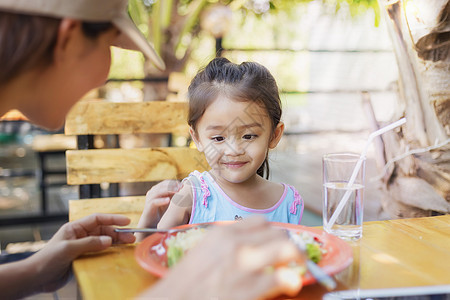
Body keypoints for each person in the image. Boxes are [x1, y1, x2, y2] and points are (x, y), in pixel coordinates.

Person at [0, 1, 304, 299]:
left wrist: (38, 269)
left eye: (248, 135)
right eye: (109, 45)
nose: (106, 74)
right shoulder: (197, 191)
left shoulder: (287, 198)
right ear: (67, 41)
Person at [138, 58, 304, 231]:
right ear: (197, 139)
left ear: (274, 135)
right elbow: (156, 250)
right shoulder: (192, 194)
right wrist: (147, 223)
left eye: (248, 136)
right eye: (218, 138)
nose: (233, 150)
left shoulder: (288, 203)